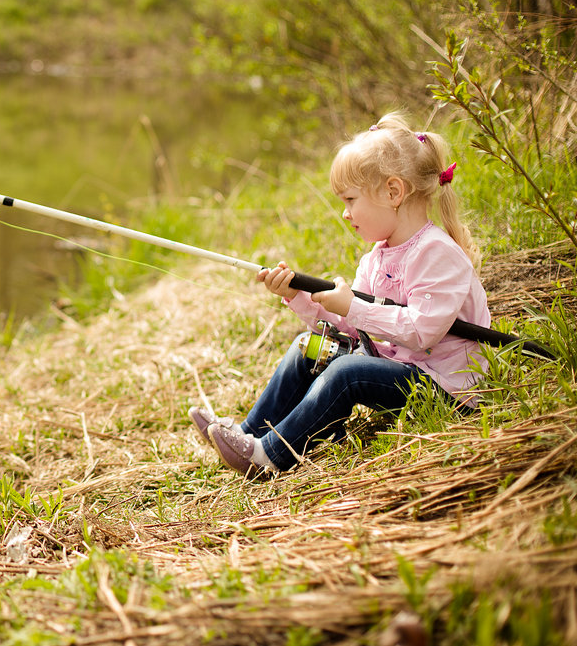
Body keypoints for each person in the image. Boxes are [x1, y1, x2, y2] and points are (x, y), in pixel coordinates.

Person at [191, 113, 490, 476]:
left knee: (347, 372)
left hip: (446, 390)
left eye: (350, 200)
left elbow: (422, 331)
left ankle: (268, 455)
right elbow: (350, 328)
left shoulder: (437, 254)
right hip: (398, 368)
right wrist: (299, 297)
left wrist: (355, 307)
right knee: (310, 345)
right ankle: (245, 433)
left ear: (394, 192)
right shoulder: (375, 258)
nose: (345, 214)